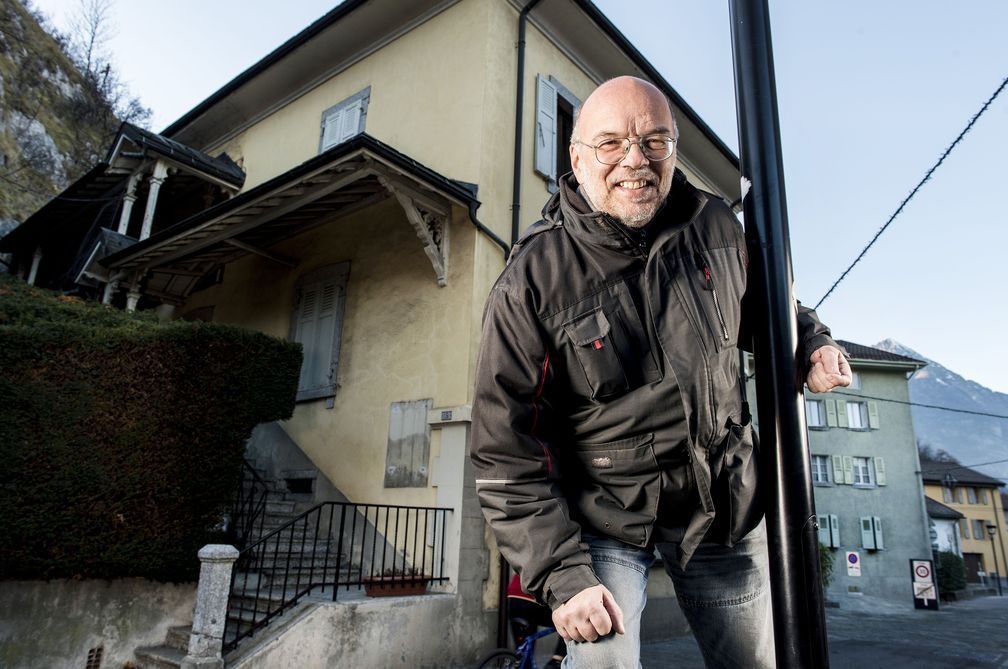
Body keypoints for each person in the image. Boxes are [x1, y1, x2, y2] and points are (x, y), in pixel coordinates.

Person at [471, 76, 851, 668]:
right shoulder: (531, 282)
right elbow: (505, 453)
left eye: (654, 141)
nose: (635, 160)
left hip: (723, 501)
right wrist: (561, 574)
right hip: (605, 518)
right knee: (604, 663)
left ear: (673, 147)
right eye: (610, 144)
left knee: (758, 663)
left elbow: (772, 312)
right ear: (575, 158)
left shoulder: (718, 228)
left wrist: (810, 344)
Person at [508, 573, 567, 668]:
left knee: (523, 653)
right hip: (533, 599)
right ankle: (557, 659)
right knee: (567, 621)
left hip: (514, 597)